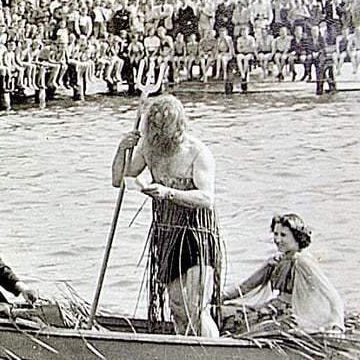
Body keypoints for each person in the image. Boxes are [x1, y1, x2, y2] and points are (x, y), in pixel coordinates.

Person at [112, 94, 223, 337]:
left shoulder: (198, 152)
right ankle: (183, 350)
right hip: (167, 232)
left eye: (163, 129)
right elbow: (119, 180)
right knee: (177, 308)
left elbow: (206, 198)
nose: (158, 135)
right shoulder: (150, 149)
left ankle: (210, 352)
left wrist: (168, 192)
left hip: (196, 233)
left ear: (177, 127)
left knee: (194, 307)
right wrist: (123, 149)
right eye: (154, 129)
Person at [221, 214, 344, 334]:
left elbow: (330, 293)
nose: (277, 240)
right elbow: (246, 286)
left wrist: (337, 324)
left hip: (292, 316)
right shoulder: (277, 260)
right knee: (223, 313)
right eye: (275, 234)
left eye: (283, 235)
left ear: (297, 236)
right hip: (274, 308)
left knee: (240, 326)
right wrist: (219, 296)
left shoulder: (302, 261)